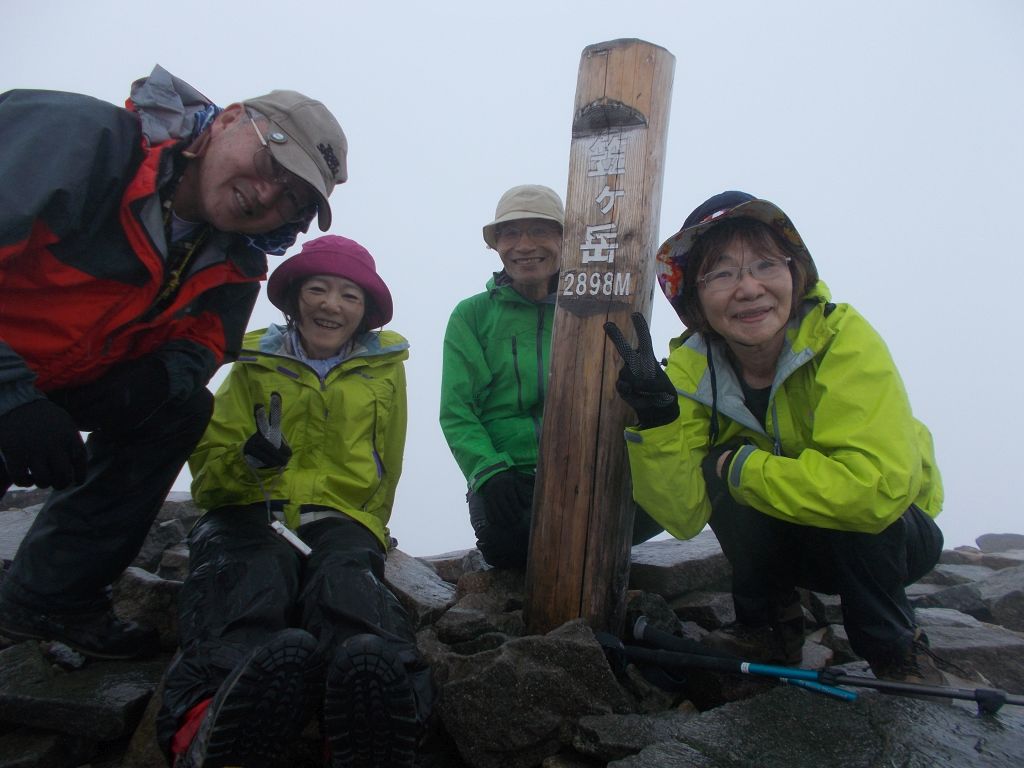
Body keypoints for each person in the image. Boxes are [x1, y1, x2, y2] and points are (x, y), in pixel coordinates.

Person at [0, 65, 348, 660]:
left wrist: (153, 381)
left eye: (290, 199)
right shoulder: (76, 139)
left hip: (53, 382)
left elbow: (206, 345)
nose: (266, 195)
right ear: (232, 118)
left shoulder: (236, 259)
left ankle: (52, 597)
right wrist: (11, 396)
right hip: (13, 377)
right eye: (271, 164)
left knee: (179, 407)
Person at [605, 191, 945, 683]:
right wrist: (658, 420)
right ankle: (766, 627)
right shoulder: (692, 367)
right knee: (722, 470)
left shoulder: (841, 337)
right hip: (798, 545)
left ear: (795, 274)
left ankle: (896, 649)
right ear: (694, 296)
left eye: (765, 264)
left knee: (755, 472)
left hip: (892, 540)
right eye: (720, 274)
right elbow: (682, 517)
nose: (747, 289)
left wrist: (740, 468)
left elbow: (875, 490)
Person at [157, 235, 433, 768]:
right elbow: (210, 473)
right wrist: (250, 463)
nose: (332, 304)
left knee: (349, 585)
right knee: (249, 576)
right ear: (294, 298)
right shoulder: (254, 361)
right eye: (319, 289)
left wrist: (369, 524)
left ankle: (378, 731)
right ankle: (203, 723)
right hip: (247, 507)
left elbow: (388, 459)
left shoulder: (385, 369)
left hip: (340, 516)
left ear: (365, 311)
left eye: (350, 296)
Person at [440, 184, 662, 568]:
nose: (524, 245)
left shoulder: (598, 308)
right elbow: (457, 409)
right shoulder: (472, 316)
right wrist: (487, 471)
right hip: (510, 475)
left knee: (670, 500)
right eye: (510, 233)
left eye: (540, 231)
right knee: (515, 542)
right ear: (497, 246)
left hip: (589, 467)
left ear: (566, 239)